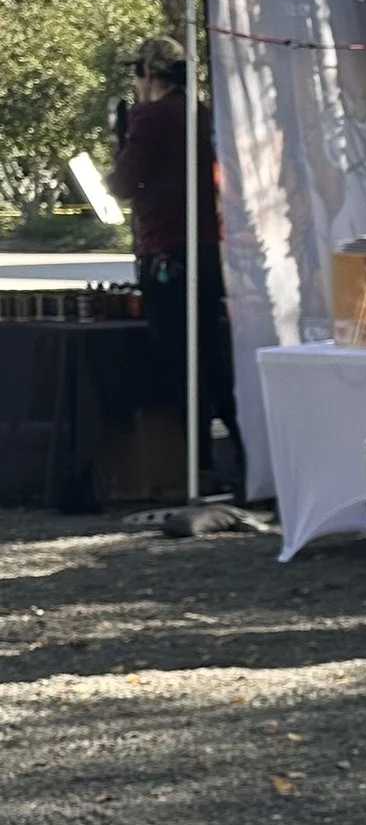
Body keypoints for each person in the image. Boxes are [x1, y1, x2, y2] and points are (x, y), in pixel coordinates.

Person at [108, 35, 240, 489]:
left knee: (179, 363)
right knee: (213, 359)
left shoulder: (151, 117)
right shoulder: (200, 113)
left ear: (149, 73)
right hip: (206, 250)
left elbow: (123, 183)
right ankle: (241, 456)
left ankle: (197, 465)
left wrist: (121, 141)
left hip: (167, 252)